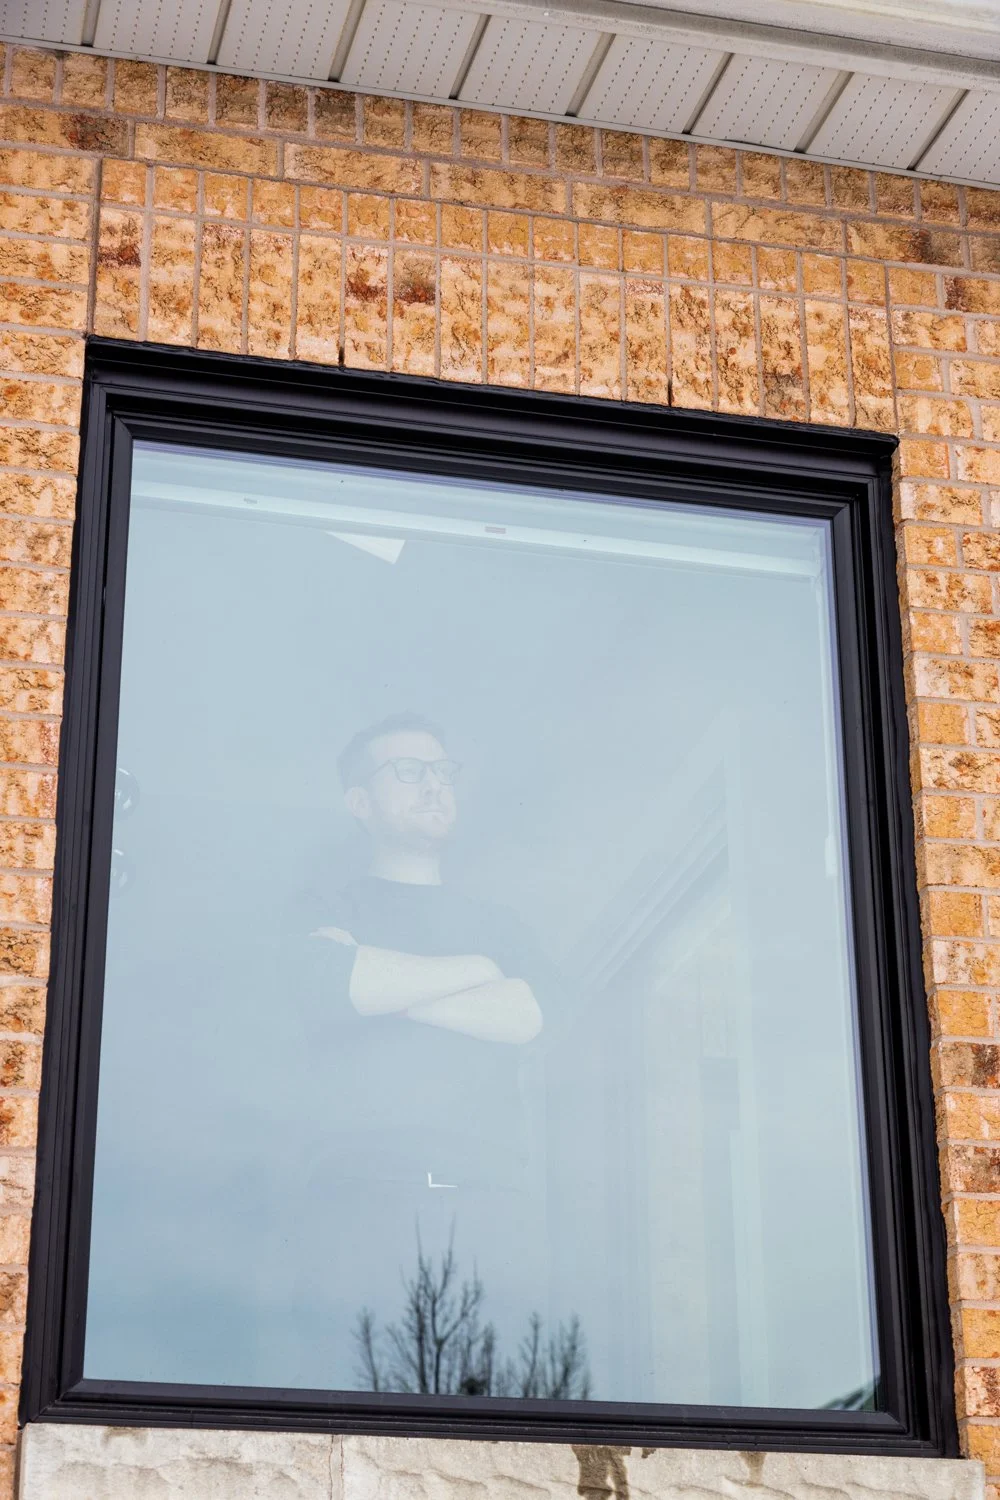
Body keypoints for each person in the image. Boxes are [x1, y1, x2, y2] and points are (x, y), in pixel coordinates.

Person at [298, 713, 555, 1388]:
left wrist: (389, 987)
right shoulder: (327, 902)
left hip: (490, 1204)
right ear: (360, 802)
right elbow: (329, 985)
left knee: (504, 1414)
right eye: (408, 772)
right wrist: (479, 971)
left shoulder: (502, 921)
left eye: (443, 772)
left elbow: (528, 1015)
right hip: (360, 1201)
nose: (434, 786)